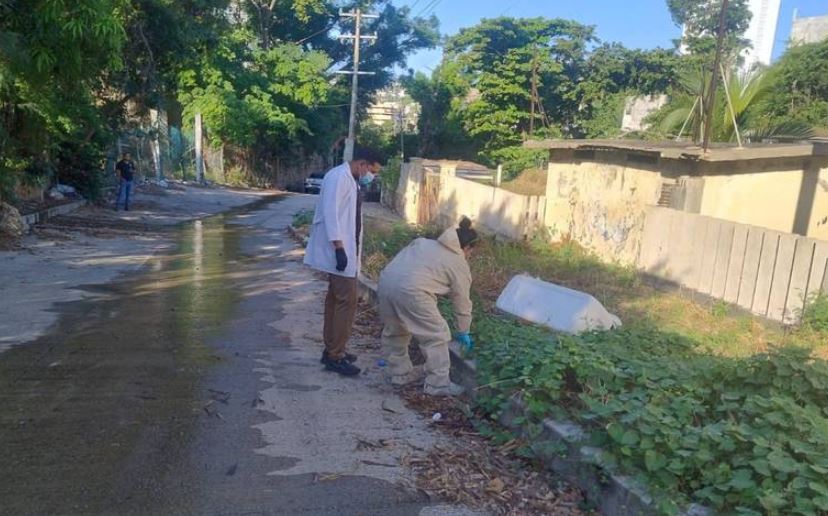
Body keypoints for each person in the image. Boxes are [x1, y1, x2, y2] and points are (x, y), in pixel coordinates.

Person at [303, 147, 384, 377]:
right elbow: (331, 214)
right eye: (372, 170)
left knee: (336, 300)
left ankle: (332, 349)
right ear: (361, 164)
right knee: (346, 303)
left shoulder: (350, 179)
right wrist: (339, 248)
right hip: (339, 251)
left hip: (346, 250)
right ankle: (335, 355)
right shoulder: (339, 177)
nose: (372, 175)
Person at [377, 217, 479, 396]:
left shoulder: (423, 243)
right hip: (412, 291)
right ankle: (438, 385)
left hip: (386, 282)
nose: (469, 256)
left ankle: (398, 373)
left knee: (396, 330)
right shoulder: (458, 263)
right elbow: (462, 301)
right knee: (436, 335)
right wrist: (464, 330)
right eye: (471, 252)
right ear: (467, 247)